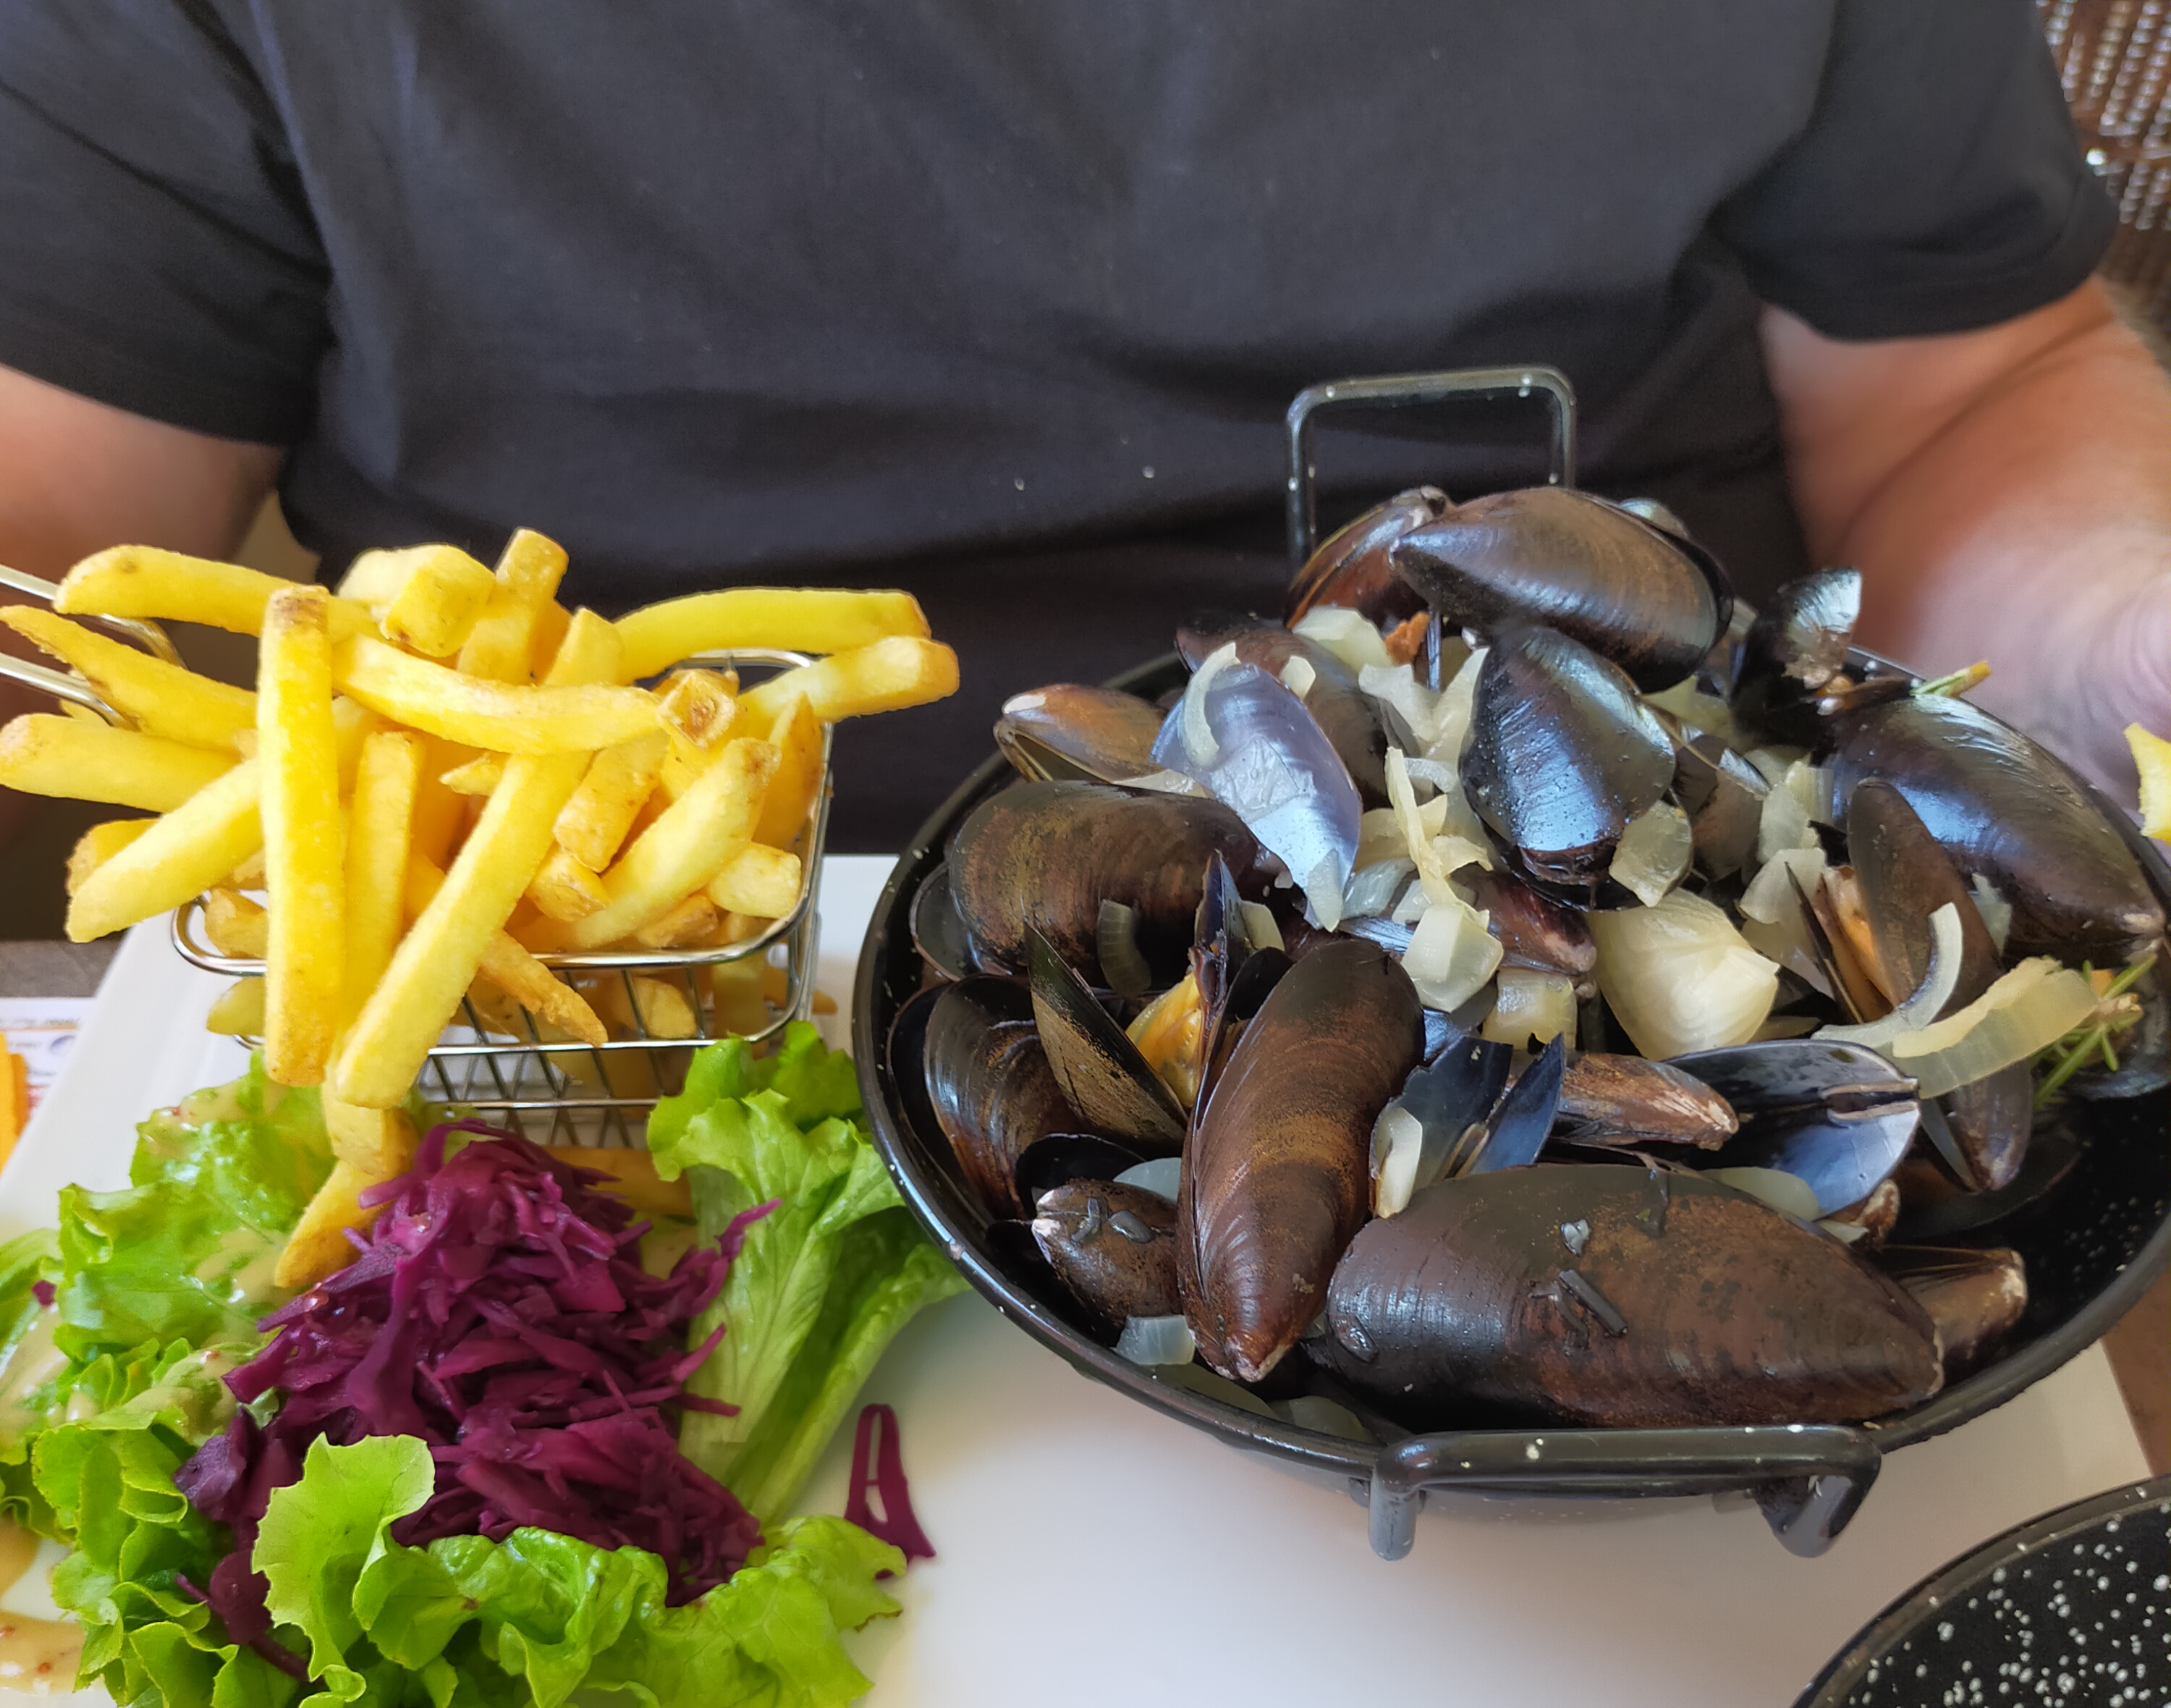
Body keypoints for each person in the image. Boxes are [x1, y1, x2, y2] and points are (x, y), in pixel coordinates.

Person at [0, 0, 2162, 904]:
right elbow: (64, 559)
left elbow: (1960, 398)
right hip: (590, 1008)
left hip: (1619, 918)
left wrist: (2132, 647)